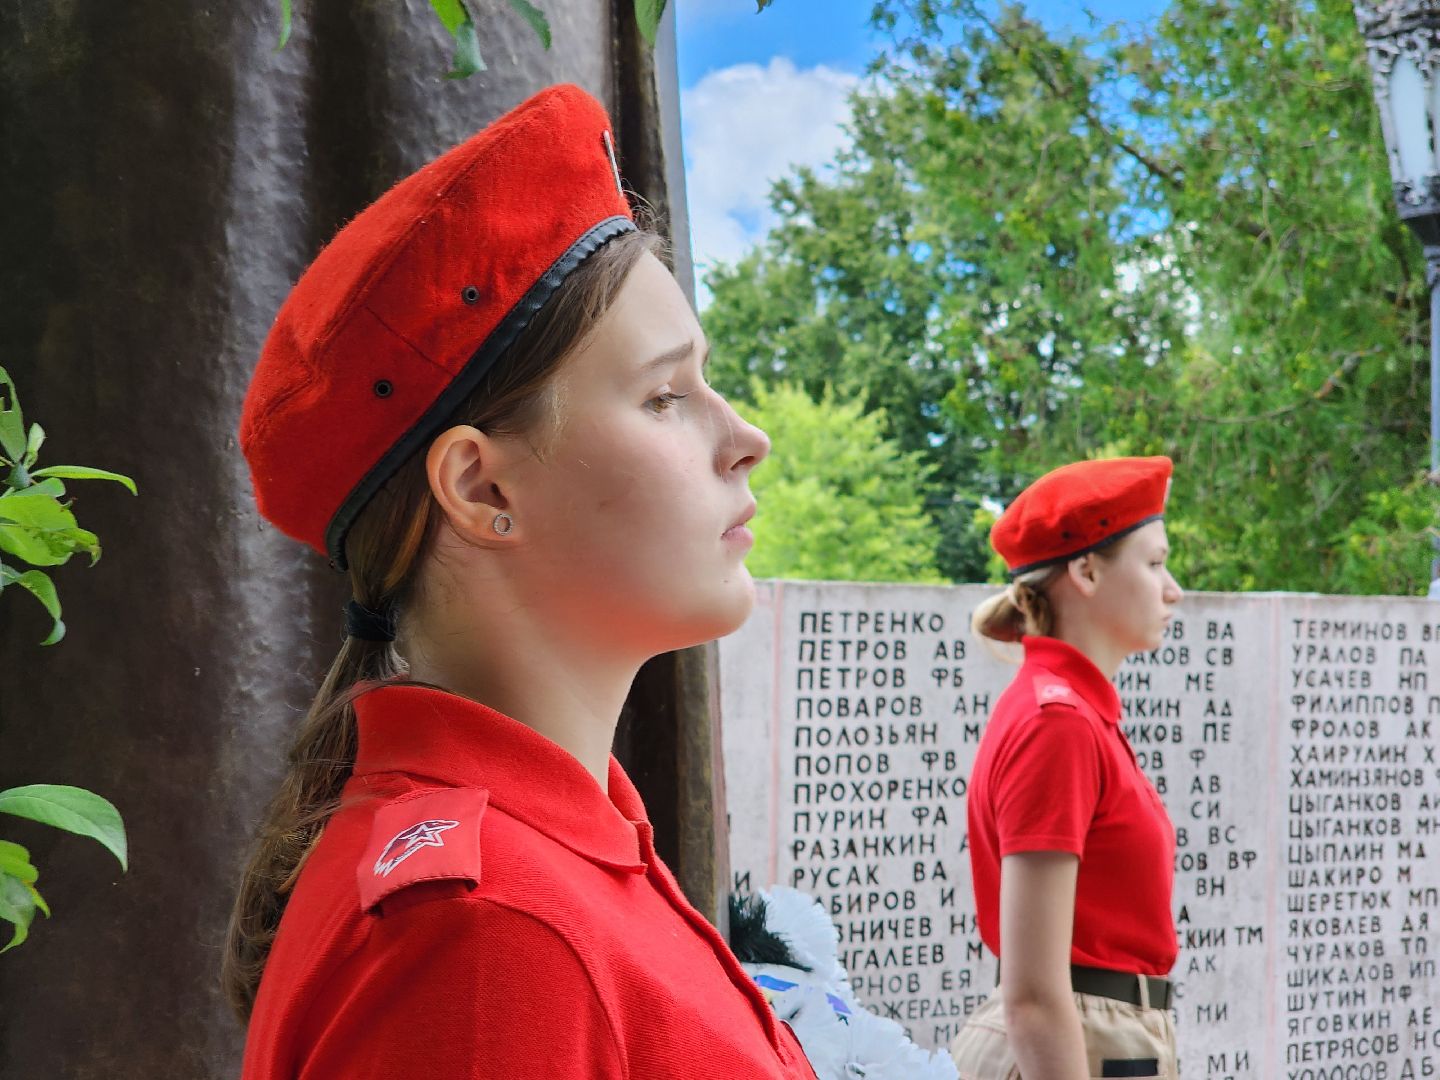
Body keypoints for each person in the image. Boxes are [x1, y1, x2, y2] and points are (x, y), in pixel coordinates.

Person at [224, 84, 816, 1080]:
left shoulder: (556, 848)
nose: (746, 438)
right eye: (665, 395)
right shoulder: (488, 935)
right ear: (481, 486)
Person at [949, 457, 1185, 1080]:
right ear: (1086, 572)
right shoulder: (1059, 724)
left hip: (1100, 1034)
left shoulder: (1075, 712)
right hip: (1080, 1041)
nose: (1173, 589)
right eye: (1155, 563)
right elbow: (1033, 993)